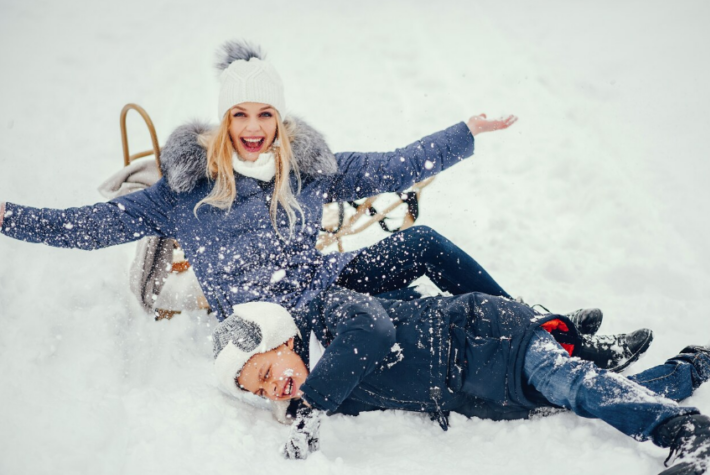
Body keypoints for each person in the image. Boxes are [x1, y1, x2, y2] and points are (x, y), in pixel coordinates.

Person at [0, 40, 646, 367]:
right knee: (429, 321)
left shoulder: (305, 169)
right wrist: (7, 216)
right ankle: (542, 352)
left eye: (265, 113)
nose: (253, 125)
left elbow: (392, 166)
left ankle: (543, 330)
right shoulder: (185, 190)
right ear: (224, 120)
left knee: (423, 244)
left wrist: (464, 133)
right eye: (240, 113)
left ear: (280, 119)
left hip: (326, 282)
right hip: (280, 324)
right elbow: (82, 227)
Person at [213, 287, 710, 475]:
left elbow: (375, 331)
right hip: (486, 391)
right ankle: (699, 364)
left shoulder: (333, 314)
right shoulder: (329, 390)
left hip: (490, 337)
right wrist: (299, 413)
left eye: (265, 373)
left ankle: (692, 434)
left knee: (575, 384)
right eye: (261, 393)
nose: (274, 389)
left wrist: (311, 405)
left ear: (281, 338)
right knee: (594, 398)